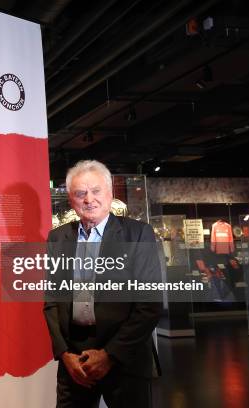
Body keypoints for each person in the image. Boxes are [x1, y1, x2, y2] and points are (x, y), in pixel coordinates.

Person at [43, 160, 161, 408]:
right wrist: (64, 354)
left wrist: (110, 356)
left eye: (96, 191)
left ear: (110, 193)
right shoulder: (57, 238)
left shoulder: (138, 234)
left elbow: (149, 305)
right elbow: (51, 301)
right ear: (71, 199)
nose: (89, 199)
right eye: (80, 193)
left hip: (124, 358)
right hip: (74, 362)